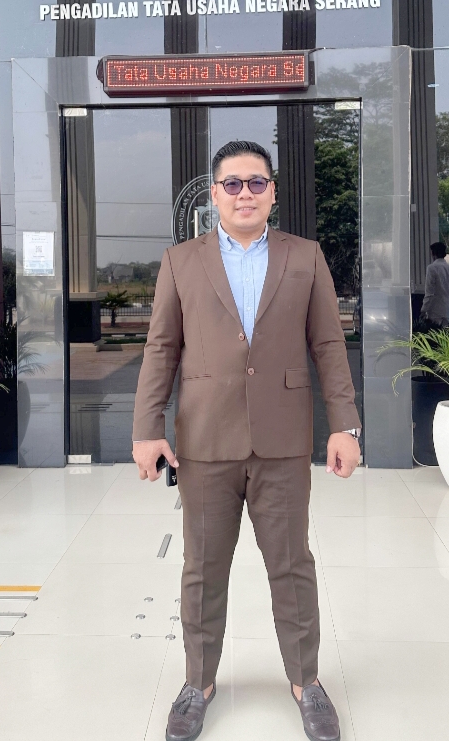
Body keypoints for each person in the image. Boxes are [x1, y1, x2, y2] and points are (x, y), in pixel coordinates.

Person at [132, 140, 361, 741]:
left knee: (292, 566)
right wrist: (147, 430)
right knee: (202, 569)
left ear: (273, 192)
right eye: (232, 184)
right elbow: (161, 349)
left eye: (256, 183)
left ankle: (307, 683)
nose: (244, 194)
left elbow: (328, 345)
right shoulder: (180, 261)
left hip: (283, 440)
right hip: (205, 440)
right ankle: (198, 683)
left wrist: (344, 424)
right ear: (214, 195)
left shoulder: (305, 256)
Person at [420, 241, 449, 328]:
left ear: (433, 254)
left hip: (435, 310)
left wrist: (423, 310)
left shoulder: (431, 268)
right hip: (448, 309)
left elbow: (430, 292)